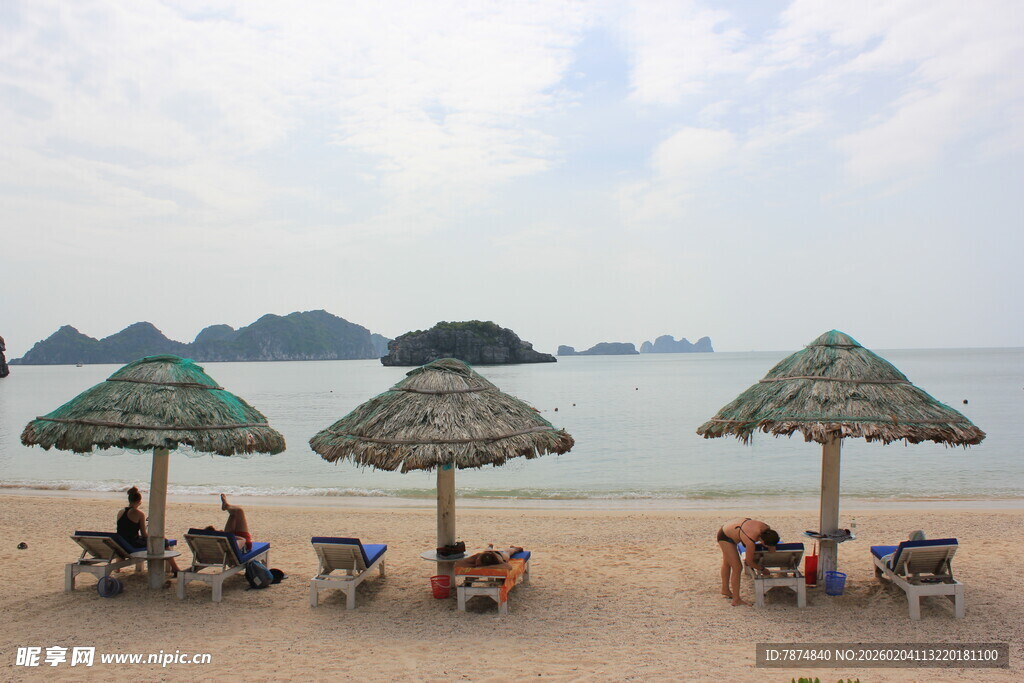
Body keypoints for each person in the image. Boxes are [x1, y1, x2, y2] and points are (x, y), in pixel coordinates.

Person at [116, 486, 180, 575]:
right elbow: (144, 534)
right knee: (163, 542)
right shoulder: (139, 514)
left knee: (126, 538)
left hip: (121, 543)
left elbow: (122, 530)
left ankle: (117, 568)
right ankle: (175, 568)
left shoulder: (120, 512)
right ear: (139, 502)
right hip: (133, 543)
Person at [716, 517, 779, 607]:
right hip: (725, 537)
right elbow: (749, 562)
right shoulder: (750, 540)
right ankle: (736, 600)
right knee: (737, 567)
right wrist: (762, 569)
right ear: (762, 541)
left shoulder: (766, 529)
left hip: (732, 527)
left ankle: (725, 589)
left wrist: (771, 546)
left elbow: (770, 541)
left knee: (727, 562)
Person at [454, 544, 524, 569]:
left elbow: (508, 567)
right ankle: (490, 546)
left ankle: (515, 548)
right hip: (487, 553)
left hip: (500, 555)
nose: (476, 563)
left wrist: (483, 567)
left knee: (508, 551)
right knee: (487, 550)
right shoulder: (478, 556)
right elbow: (458, 563)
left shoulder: (499, 561)